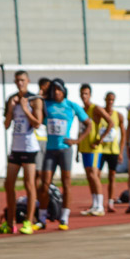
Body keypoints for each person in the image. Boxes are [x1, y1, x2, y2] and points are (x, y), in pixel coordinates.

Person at [0, 70, 44, 235]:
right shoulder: (11, 98)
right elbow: (6, 124)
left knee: (29, 185)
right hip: (15, 147)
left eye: (22, 80)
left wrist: (25, 108)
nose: (19, 83)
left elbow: (37, 123)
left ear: (28, 81)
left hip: (29, 148)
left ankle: (29, 222)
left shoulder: (34, 99)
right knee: (8, 184)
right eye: (17, 81)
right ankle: (10, 223)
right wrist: (11, 109)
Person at [38, 78, 91, 230]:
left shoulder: (71, 106)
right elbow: (35, 109)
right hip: (50, 150)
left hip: (65, 149)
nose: (56, 92)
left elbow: (89, 124)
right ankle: (41, 218)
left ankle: (64, 218)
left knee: (66, 183)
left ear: (64, 91)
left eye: (59, 90)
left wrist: (77, 140)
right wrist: (41, 93)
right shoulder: (46, 104)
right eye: (53, 90)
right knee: (45, 184)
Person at [78, 84, 111, 217]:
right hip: (84, 147)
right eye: (82, 94)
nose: (84, 96)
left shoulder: (95, 108)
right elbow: (79, 128)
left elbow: (110, 122)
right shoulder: (81, 110)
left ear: (90, 95)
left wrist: (100, 139)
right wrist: (77, 146)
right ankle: (94, 204)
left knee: (94, 174)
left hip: (94, 148)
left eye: (86, 93)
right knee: (89, 176)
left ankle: (100, 205)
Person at [97, 91, 127, 213]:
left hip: (113, 150)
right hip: (101, 150)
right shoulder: (100, 114)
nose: (110, 102)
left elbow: (123, 135)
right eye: (108, 99)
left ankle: (110, 202)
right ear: (105, 100)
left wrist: (121, 151)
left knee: (112, 176)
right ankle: (98, 201)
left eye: (112, 100)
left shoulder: (118, 116)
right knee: (96, 175)